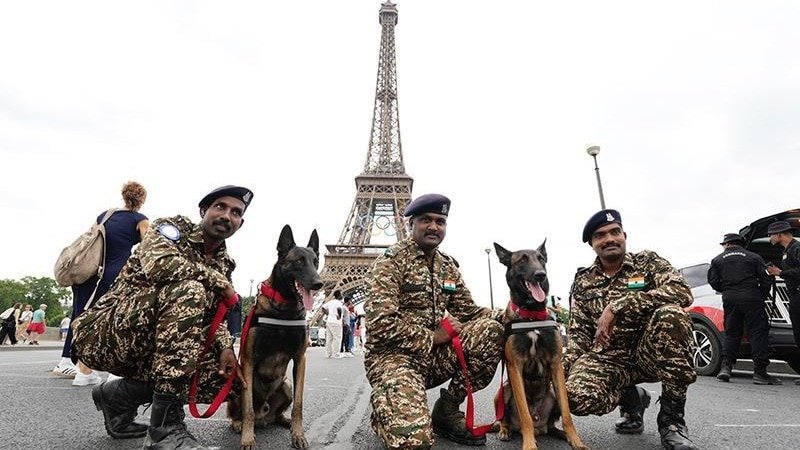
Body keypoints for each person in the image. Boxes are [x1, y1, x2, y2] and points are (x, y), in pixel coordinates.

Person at [71, 185, 253, 449]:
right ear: (203, 210)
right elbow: (161, 265)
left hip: (155, 341)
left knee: (226, 379)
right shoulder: (170, 229)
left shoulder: (224, 262)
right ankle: (164, 430)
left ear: (241, 223)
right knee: (189, 291)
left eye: (236, 212)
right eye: (220, 207)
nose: (227, 215)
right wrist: (218, 281)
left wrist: (225, 347)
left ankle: (118, 397)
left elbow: (215, 314)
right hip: (106, 332)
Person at [364, 193, 504, 449]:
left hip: (434, 358)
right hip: (393, 359)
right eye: (425, 220)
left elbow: (470, 312)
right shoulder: (391, 262)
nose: (433, 226)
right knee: (414, 442)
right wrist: (433, 337)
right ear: (411, 223)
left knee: (491, 329)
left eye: (440, 221)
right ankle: (387, 408)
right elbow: (379, 323)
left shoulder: (447, 266)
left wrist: (512, 314)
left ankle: (446, 410)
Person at [564, 209, 697, 450]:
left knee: (672, 316)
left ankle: (672, 421)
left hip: (651, 352)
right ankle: (632, 398)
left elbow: (682, 291)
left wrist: (618, 306)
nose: (609, 239)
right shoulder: (583, 281)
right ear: (592, 244)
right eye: (600, 235)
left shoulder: (647, 262)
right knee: (574, 398)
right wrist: (557, 373)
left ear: (624, 235)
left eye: (615, 232)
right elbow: (578, 336)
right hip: (609, 359)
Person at [56, 181, 150, 386]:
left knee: (84, 319)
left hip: (90, 272)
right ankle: (115, 372)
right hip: (118, 273)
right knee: (116, 320)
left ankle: (83, 371)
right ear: (141, 200)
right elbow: (149, 245)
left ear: (124, 196)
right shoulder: (140, 220)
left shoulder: (105, 215)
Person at [708, 233, 780, 385]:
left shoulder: (717, 259)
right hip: (752, 296)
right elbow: (766, 279)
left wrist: (727, 290)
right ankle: (760, 373)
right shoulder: (754, 257)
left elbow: (713, 281)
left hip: (730, 297)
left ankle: (726, 368)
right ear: (741, 244)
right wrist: (760, 295)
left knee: (732, 333)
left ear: (727, 244)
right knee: (758, 333)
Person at [766, 220, 800, 386]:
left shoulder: (796, 248)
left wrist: (780, 272)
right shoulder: (788, 250)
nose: (769, 238)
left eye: (771, 234)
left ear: (780, 234)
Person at [324, 290, 344, 358]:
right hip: (336, 322)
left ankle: (328, 354)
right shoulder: (339, 302)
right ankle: (336, 354)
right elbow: (339, 308)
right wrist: (339, 316)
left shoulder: (331, 302)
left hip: (329, 321)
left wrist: (328, 314)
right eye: (341, 294)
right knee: (337, 338)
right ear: (339, 295)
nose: (342, 295)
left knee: (329, 338)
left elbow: (323, 307)